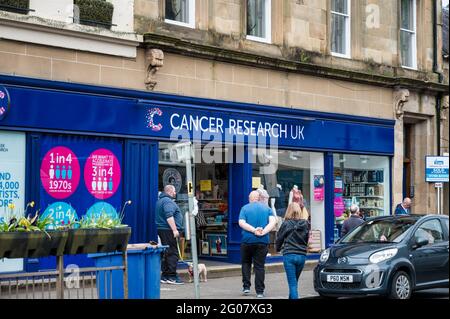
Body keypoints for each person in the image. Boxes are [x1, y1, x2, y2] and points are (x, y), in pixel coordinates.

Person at [239, 191, 277, 298]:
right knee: (259, 267)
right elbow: (273, 222)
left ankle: (246, 287)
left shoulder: (244, 208)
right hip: (262, 241)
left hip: (247, 241)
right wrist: (263, 232)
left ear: (249, 198)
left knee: (246, 263)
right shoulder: (267, 209)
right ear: (259, 198)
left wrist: (253, 230)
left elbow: (241, 223)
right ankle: (260, 291)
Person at [275, 203, 310, 299]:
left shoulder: (286, 223)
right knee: (294, 283)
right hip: (301, 255)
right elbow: (307, 239)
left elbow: (279, 238)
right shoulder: (306, 224)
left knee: (293, 285)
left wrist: (277, 249)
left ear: (288, 211)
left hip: (289, 255)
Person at [156, 185, 184, 285]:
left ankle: (165, 276)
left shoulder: (160, 200)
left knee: (167, 252)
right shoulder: (167, 201)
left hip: (163, 229)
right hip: (168, 230)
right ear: (170, 191)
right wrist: (175, 230)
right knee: (172, 253)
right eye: (174, 191)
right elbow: (169, 216)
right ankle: (172, 277)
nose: (175, 193)